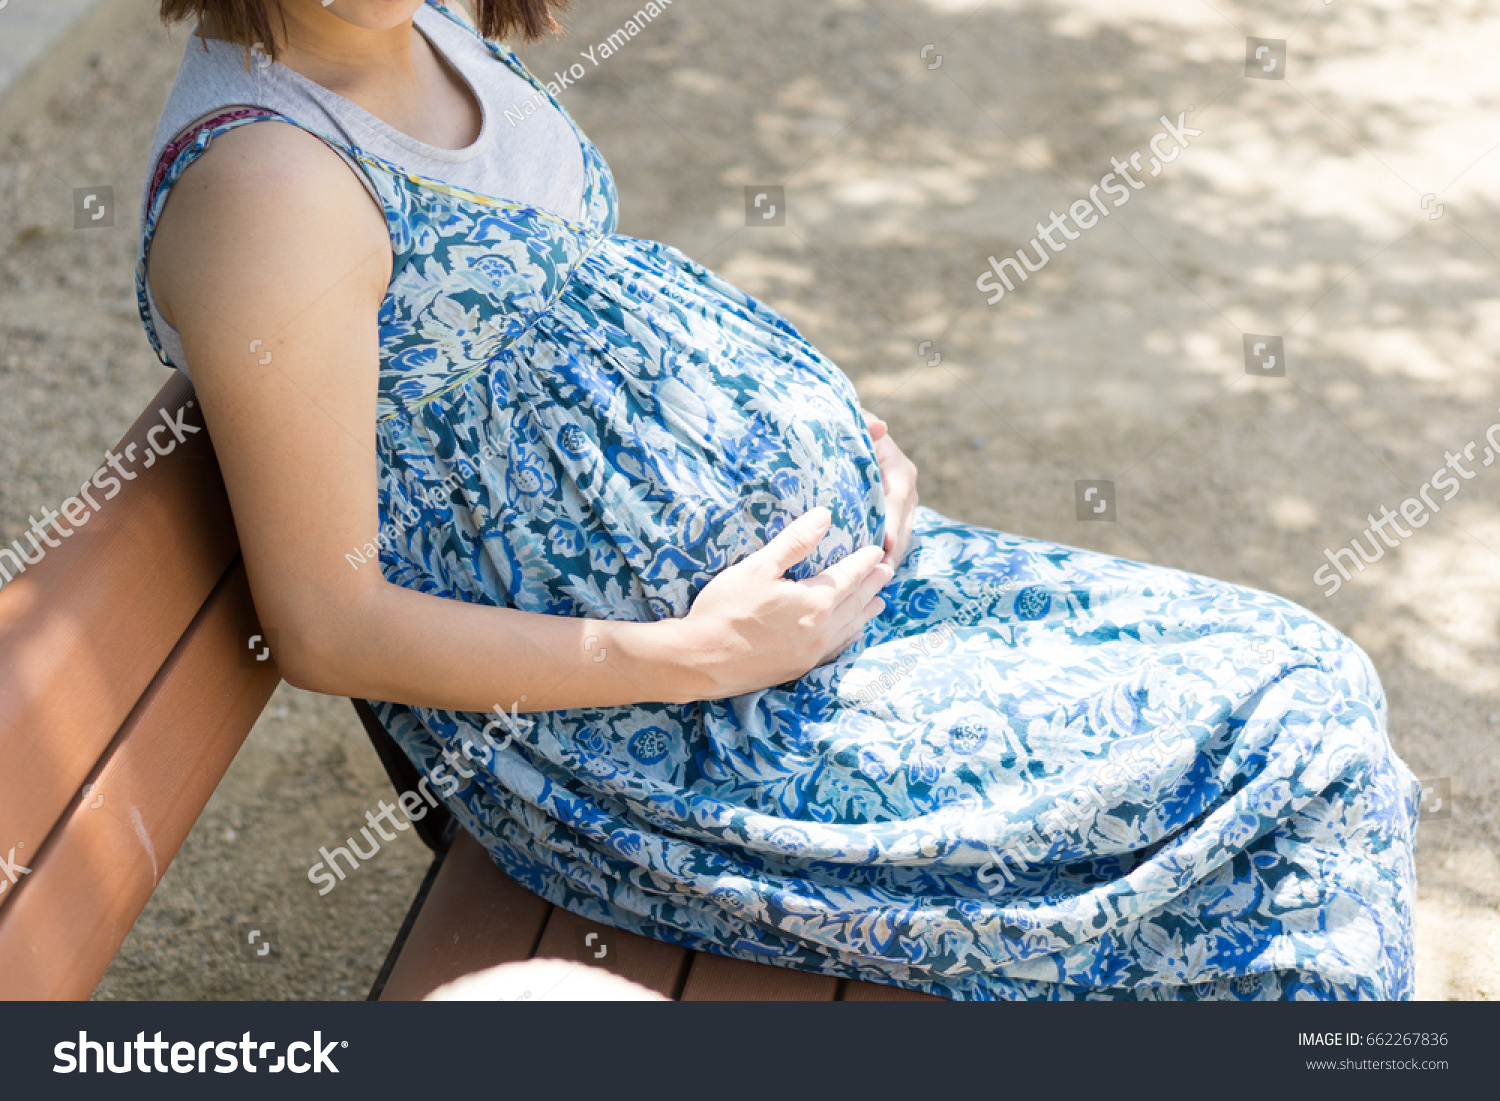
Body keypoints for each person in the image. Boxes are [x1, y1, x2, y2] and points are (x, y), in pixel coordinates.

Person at [138, 0, 1419, 999]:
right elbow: (321, 620)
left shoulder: (421, 35)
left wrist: (835, 448)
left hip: (817, 625)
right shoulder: (268, 189)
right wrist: (689, 655)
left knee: (1313, 679)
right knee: (1289, 738)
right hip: (675, 747)